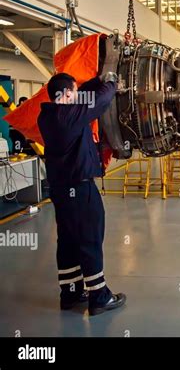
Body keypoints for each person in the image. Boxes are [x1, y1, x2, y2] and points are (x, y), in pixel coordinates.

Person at [38, 72, 126, 316]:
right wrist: (111, 84)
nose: (78, 96)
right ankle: (99, 296)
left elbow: (86, 96)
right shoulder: (70, 116)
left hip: (61, 190)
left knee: (67, 240)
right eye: (75, 92)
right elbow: (100, 101)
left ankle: (71, 292)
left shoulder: (48, 115)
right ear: (67, 95)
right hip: (79, 188)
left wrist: (97, 79)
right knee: (90, 237)